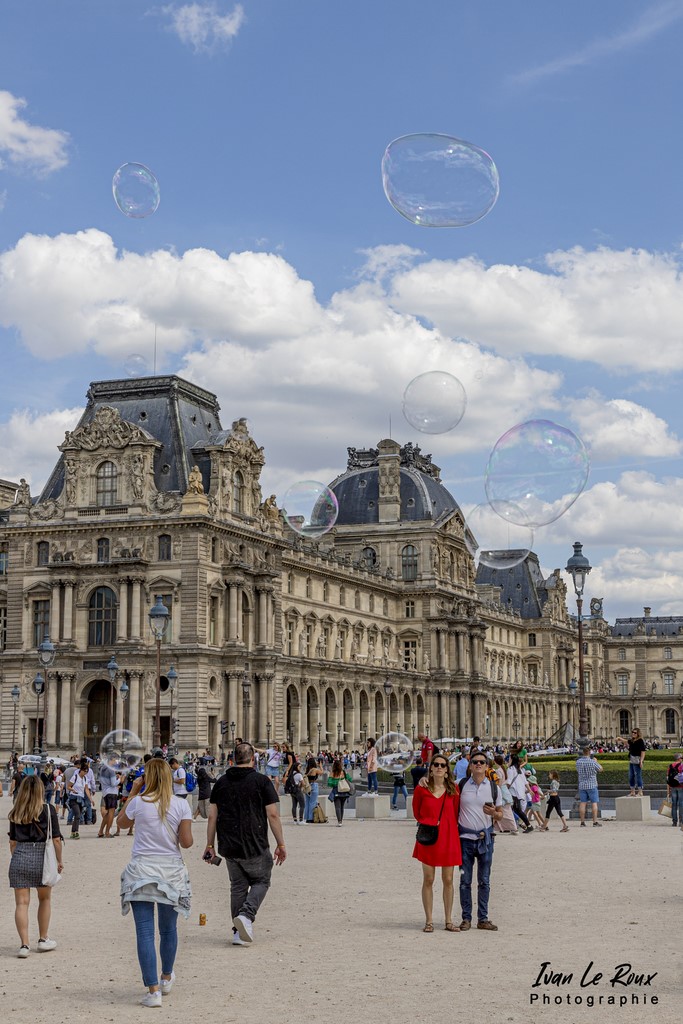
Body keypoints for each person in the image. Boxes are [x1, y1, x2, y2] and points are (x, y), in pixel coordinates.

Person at [118, 758, 193, 1007]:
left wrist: (133, 791)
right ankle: (166, 976)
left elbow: (120, 824)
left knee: (145, 932)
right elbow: (187, 843)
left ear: (146, 777)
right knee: (169, 930)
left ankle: (152, 992)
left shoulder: (138, 802)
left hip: (141, 871)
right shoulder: (181, 805)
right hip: (170, 871)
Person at [205, 742, 286, 946]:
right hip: (255, 842)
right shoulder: (261, 781)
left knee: (238, 887)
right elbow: (273, 814)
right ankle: (246, 916)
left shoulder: (221, 782)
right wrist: (281, 844)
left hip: (228, 844)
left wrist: (209, 845)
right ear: (253, 759)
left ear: (232, 759)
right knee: (262, 881)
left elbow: (211, 817)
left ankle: (237, 933)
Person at [8, 774, 64, 957]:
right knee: (45, 899)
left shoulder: (16, 810)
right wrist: (59, 860)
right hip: (42, 858)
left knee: (21, 904)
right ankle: (43, 938)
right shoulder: (48, 810)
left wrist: (18, 858)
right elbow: (56, 840)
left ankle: (24, 945)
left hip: (20, 856)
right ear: (41, 790)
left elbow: (12, 843)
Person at [412, 755, 461, 933]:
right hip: (429, 837)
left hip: (448, 837)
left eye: (443, 765)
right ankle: (429, 920)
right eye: (436, 765)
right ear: (431, 769)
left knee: (448, 880)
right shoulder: (421, 789)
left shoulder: (453, 790)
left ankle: (448, 920)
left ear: (447, 770)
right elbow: (417, 812)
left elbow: (456, 813)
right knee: (428, 879)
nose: (439, 768)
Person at [457, 751, 503, 931]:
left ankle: (482, 918)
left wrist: (494, 814)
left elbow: (500, 814)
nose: (478, 764)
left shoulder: (494, 788)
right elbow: (438, 786)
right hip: (464, 841)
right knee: (464, 881)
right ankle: (466, 918)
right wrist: (423, 780)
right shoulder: (460, 785)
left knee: (484, 881)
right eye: (475, 762)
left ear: (486, 766)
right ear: (470, 765)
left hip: (486, 841)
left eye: (482, 762)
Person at [576, 747, 603, 826]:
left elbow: (578, 771)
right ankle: (594, 822)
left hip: (582, 785)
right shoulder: (592, 762)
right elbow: (601, 769)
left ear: (583, 753)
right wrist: (596, 762)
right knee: (594, 803)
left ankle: (582, 822)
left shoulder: (578, 762)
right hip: (592, 784)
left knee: (583, 803)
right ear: (589, 753)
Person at [506, 755, 533, 833]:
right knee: (517, 810)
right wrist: (529, 790)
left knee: (514, 809)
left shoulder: (510, 769)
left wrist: (503, 790)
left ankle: (516, 827)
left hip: (513, 792)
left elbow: (509, 782)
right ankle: (526, 825)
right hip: (519, 792)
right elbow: (525, 781)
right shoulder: (520, 769)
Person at [67, 764, 92, 840]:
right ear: (81, 770)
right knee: (77, 815)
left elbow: (86, 789)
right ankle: (76, 832)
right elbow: (68, 786)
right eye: (85, 771)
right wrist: (72, 790)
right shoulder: (75, 777)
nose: (85, 773)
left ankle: (73, 832)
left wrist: (91, 799)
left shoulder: (85, 779)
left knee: (78, 815)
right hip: (74, 798)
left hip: (81, 799)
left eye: (87, 772)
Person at [618, 728, 646, 796]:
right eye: (632, 732)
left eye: (635, 733)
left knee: (638, 776)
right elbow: (626, 741)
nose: (633, 733)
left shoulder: (640, 741)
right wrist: (619, 738)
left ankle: (640, 791)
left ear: (638, 734)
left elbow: (643, 752)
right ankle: (632, 791)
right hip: (631, 760)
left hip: (637, 761)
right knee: (631, 776)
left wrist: (641, 761)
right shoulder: (632, 740)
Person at [98, 756, 120, 838]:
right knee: (111, 813)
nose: (116, 762)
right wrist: (120, 779)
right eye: (115, 760)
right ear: (111, 760)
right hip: (112, 792)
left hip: (105, 792)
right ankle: (107, 832)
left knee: (107, 813)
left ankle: (101, 831)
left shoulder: (103, 768)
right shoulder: (111, 770)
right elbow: (113, 783)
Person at [327, 759, 352, 826]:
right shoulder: (343, 772)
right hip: (344, 791)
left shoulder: (332, 773)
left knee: (337, 807)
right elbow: (350, 779)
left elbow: (329, 783)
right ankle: (341, 821)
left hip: (336, 791)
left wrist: (335, 783)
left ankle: (339, 821)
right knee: (342, 807)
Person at [665, 751, 683, 828]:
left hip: (673, 787)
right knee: (681, 804)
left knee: (674, 804)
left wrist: (668, 790)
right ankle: (681, 822)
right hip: (681, 787)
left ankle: (674, 822)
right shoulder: (682, 766)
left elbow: (667, 778)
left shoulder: (670, 766)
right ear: (679, 758)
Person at [303, 756, 322, 823]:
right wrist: (320, 765)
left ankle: (306, 817)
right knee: (313, 803)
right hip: (313, 785)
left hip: (307, 786)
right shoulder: (315, 770)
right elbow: (322, 772)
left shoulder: (307, 769)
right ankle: (311, 818)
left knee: (307, 803)